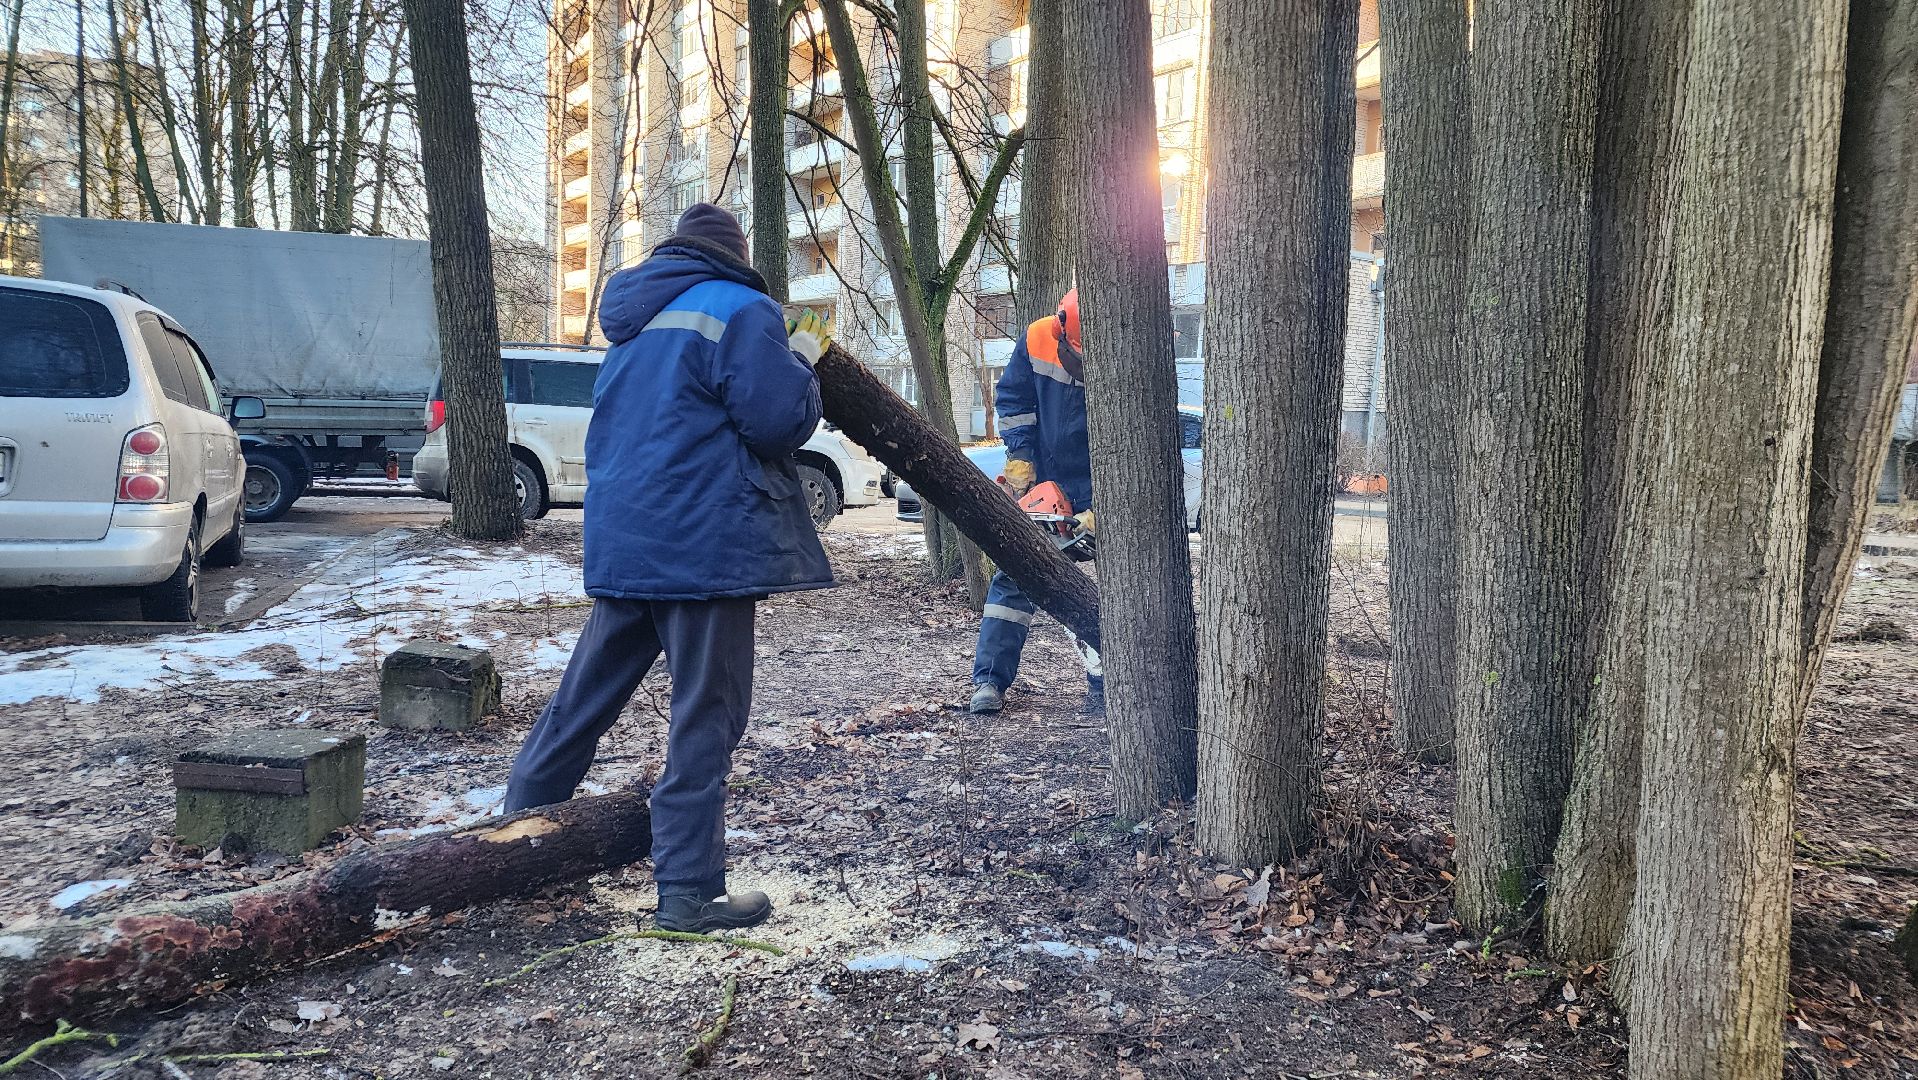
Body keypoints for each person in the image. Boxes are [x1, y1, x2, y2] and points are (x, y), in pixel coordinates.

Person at [503, 204, 834, 933]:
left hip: (627, 540)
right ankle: (687, 891)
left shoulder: (632, 322)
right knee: (705, 716)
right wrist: (805, 357)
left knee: (579, 705)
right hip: (704, 546)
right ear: (734, 256)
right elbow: (777, 420)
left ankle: (511, 848)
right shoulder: (743, 308)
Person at [969, 288, 1102, 716]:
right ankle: (989, 680)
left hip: (1099, 483)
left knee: (1119, 585)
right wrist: (1021, 459)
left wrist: (1107, 506)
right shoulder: (1036, 337)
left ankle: (1106, 680)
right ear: (1062, 327)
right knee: (1014, 574)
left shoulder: (1128, 350)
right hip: (1044, 476)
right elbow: (1013, 402)